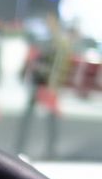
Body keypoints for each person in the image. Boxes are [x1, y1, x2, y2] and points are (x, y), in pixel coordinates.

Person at [14, 13, 71, 158]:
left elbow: (60, 65)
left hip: (48, 84)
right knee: (29, 115)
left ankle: (51, 149)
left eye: (50, 22)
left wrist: (54, 85)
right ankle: (21, 145)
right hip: (39, 82)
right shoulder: (46, 40)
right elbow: (36, 57)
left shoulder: (60, 42)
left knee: (50, 118)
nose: (48, 24)